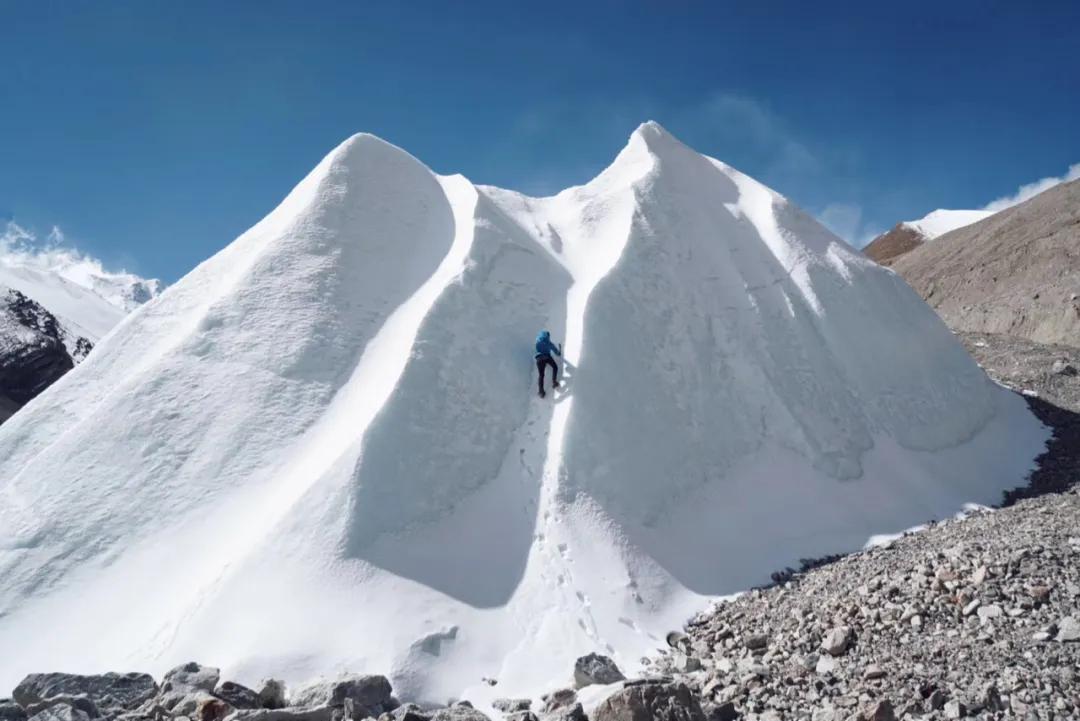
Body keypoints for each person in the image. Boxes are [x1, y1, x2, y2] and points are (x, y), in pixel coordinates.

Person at [534, 330, 562, 398]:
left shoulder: (537, 340)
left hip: (539, 358)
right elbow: (555, 351)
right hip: (547, 357)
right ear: (547, 336)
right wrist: (558, 352)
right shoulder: (548, 342)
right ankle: (554, 382)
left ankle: (541, 392)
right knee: (555, 367)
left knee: (541, 375)